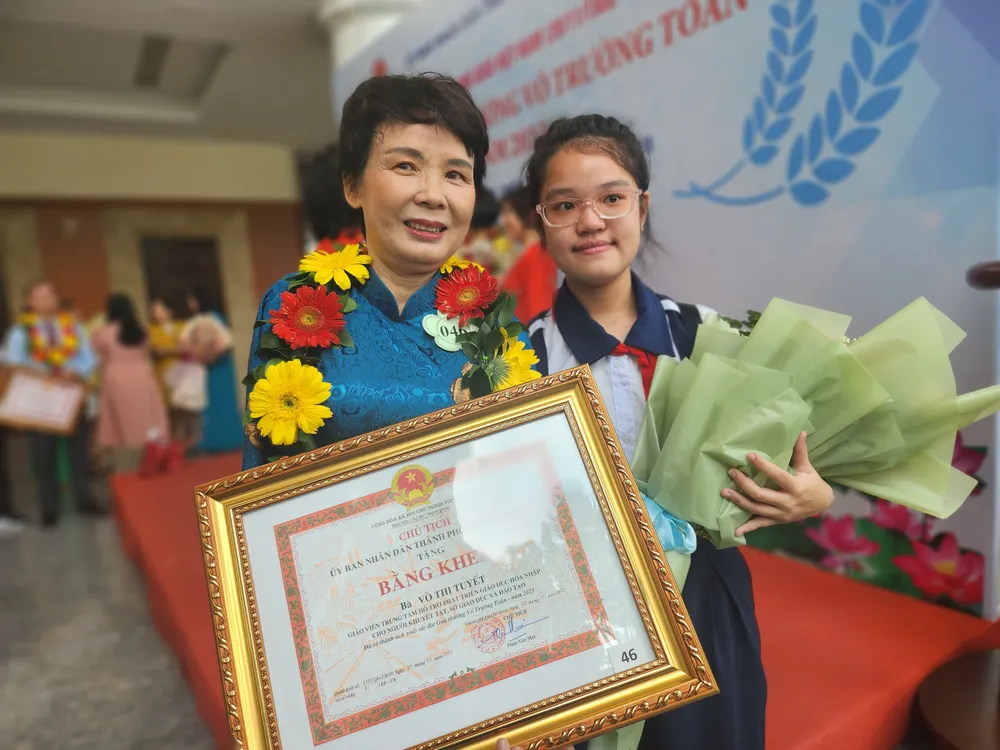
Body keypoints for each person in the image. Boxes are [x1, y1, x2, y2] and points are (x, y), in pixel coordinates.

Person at [523, 115, 835, 750]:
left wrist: (813, 493)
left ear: (642, 207)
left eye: (611, 198)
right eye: (565, 205)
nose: (590, 220)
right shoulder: (519, 356)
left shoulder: (708, 334)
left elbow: (785, 455)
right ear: (542, 222)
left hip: (706, 602)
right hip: (576, 611)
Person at [242, 72, 529, 466]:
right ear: (352, 186)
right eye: (406, 166)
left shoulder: (493, 319)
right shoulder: (295, 304)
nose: (433, 196)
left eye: (456, 174)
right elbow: (265, 469)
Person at [0, 280, 105, 526]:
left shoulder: (72, 326)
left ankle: (84, 499)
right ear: (30, 301)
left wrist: (74, 371)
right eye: (40, 297)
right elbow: (14, 362)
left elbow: (89, 356)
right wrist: (44, 374)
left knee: (78, 451)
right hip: (40, 400)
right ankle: (49, 507)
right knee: (43, 453)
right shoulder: (20, 332)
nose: (46, 301)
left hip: (71, 395)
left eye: (50, 295)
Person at [91, 294, 169, 469]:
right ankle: (150, 457)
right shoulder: (142, 330)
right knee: (147, 417)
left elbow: (96, 354)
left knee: (120, 421)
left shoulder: (103, 333)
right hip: (143, 375)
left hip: (116, 377)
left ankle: (126, 463)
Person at [184, 286, 243, 453]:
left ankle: (225, 440)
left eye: (191, 299)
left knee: (221, 402)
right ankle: (216, 440)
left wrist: (209, 356)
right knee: (212, 403)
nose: (189, 303)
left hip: (218, 366)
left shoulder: (212, 319)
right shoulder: (203, 319)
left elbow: (226, 343)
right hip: (211, 367)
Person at [499, 184, 559, 322]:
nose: (503, 221)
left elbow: (539, 310)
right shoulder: (531, 253)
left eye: (508, 213)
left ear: (525, 213)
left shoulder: (536, 255)